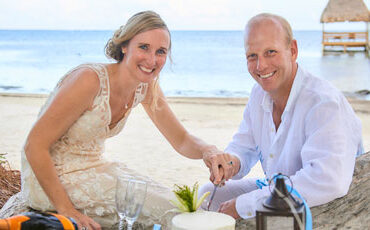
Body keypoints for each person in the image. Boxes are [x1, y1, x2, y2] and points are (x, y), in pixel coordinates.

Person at [0, 11, 227, 229]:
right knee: (171, 213)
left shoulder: (146, 86)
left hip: (96, 168)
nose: (152, 59)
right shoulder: (89, 80)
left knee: (175, 204)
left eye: (161, 51)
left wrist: (208, 150)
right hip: (52, 177)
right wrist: (66, 209)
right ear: (124, 46)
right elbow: (33, 146)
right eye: (144, 47)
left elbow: (181, 139)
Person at [199, 13, 363, 220]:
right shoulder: (259, 94)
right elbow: (244, 146)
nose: (261, 66)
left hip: (325, 207)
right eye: (252, 56)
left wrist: (246, 205)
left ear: (292, 50)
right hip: (277, 189)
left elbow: (328, 181)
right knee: (207, 196)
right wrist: (229, 163)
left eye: (270, 52)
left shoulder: (323, 102)